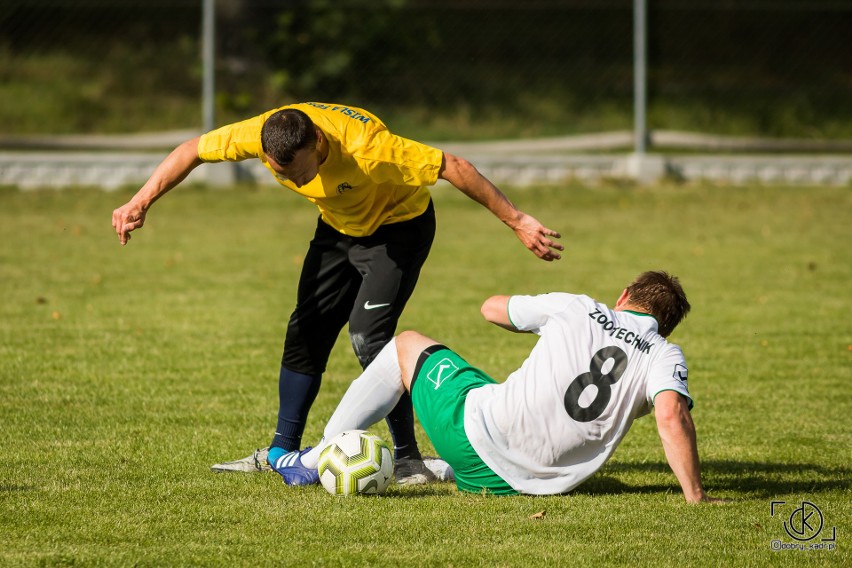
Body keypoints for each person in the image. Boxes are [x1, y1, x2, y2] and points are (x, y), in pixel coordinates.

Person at [111, 102, 563, 484]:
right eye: (278, 170)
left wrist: (518, 221)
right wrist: (140, 200)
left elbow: (454, 167)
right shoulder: (268, 133)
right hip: (338, 230)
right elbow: (193, 150)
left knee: (368, 336)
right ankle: (279, 454)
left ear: (321, 146)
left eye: (302, 172)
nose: (294, 180)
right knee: (305, 330)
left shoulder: (370, 149)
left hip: (397, 231)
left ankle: (408, 459)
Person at [276, 271, 728, 502]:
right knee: (495, 389)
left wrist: (539, 324)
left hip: (474, 444)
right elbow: (671, 414)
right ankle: (422, 466)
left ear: (625, 296)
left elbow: (491, 309)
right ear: (665, 325)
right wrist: (695, 496)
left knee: (407, 345)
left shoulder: (580, 307)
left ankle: (314, 458)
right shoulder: (664, 355)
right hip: (532, 487)